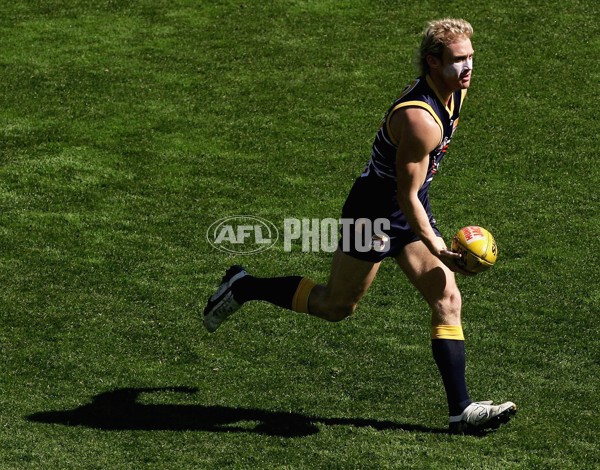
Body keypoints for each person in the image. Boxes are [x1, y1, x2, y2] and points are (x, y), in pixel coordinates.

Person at [203, 18, 516, 435]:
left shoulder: (455, 92)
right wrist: (437, 244)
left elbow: (413, 195)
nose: (468, 68)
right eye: (459, 60)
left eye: (471, 58)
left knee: (447, 296)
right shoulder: (420, 119)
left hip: (407, 206)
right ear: (432, 62)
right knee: (337, 306)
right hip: (371, 214)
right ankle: (244, 286)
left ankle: (461, 411)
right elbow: (403, 195)